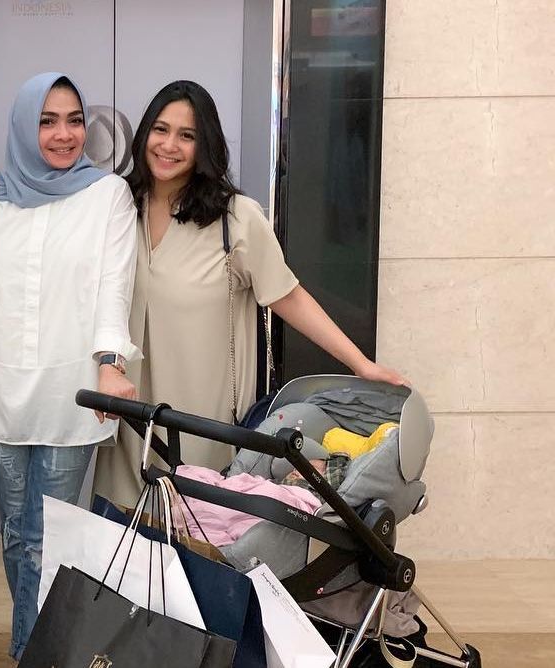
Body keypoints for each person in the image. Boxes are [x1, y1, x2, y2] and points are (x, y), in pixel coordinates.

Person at [93, 80, 406, 507]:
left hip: (202, 424)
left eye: (187, 135)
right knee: (120, 531)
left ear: (205, 146)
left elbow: (288, 296)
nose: (169, 145)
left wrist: (361, 364)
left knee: (199, 525)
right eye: (160, 130)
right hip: (129, 418)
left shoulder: (234, 218)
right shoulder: (120, 208)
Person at [0, 72, 138, 659]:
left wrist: (110, 363)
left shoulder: (108, 196)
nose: (64, 134)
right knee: (17, 534)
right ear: (25, 127)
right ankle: (40, 644)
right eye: (47, 121)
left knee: (47, 538)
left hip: (72, 393)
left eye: (74, 120)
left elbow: (113, 289)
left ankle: (32, 653)